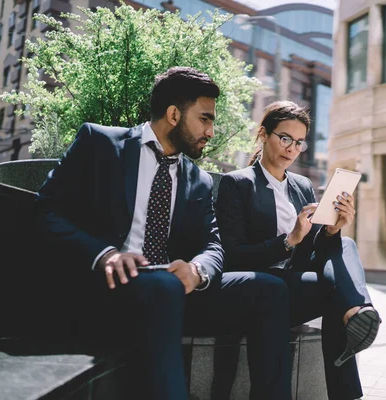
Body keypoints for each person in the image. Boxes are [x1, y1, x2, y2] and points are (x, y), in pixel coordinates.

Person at [34, 67, 291, 400]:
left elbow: (213, 245)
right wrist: (105, 254)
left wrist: (197, 271)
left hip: (176, 291)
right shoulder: (100, 143)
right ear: (173, 114)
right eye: (205, 119)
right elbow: (46, 211)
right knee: (163, 287)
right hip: (110, 287)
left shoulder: (198, 179)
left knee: (270, 290)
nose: (211, 131)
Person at [215, 100, 381, 400]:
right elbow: (233, 255)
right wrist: (288, 241)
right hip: (257, 289)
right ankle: (353, 317)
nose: (292, 148)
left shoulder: (303, 186)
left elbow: (321, 249)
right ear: (263, 135)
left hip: (295, 286)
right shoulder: (237, 184)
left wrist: (332, 228)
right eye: (285, 138)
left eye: (299, 142)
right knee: (333, 296)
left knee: (344, 243)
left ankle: (358, 311)